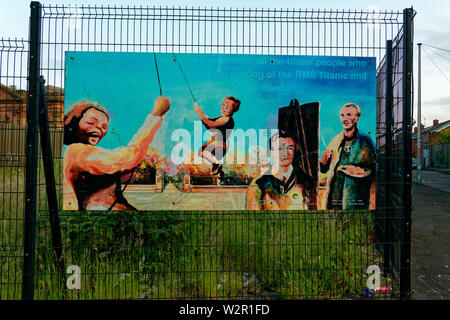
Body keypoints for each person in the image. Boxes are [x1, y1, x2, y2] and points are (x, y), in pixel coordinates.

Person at [63, 96, 170, 210]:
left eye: (104, 126)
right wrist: (155, 116)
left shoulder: (82, 152)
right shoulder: (76, 152)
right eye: (91, 122)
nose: (99, 127)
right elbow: (128, 158)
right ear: (74, 121)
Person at [320, 103, 376, 210]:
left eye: (349, 115)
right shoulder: (335, 140)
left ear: (357, 118)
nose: (344, 119)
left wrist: (355, 171)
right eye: (342, 115)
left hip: (353, 202)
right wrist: (323, 161)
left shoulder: (365, 141)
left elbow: (372, 170)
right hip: (333, 201)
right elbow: (324, 170)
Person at [246, 130, 315, 210]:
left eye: (289, 148)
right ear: (271, 152)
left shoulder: (306, 182)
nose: (285, 154)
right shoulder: (258, 184)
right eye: (279, 148)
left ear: (294, 151)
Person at [193, 96, 240, 182]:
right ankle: (218, 169)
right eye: (223, 105)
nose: (225, 108)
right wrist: (205, 118)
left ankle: (217, 164)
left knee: (203, 151)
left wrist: (201, 114)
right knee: (202, 152)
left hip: (219, 145)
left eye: (229, 107)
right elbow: (211, 122)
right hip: (218, 146)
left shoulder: (226, 119)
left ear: (233, 110)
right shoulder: (222, 118)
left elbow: (210, 125)